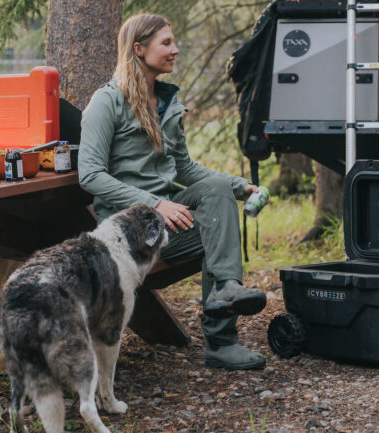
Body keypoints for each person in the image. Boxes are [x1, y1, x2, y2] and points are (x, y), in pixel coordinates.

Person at [79, 14, 267, 370]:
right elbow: (90, 175)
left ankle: (225, 312)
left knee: (217, 195)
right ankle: (223, 335)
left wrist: (239, 186)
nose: (175, 50)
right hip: (126, 229)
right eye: (166, 43)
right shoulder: (107, 102)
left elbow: (184, 168)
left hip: (164, 221)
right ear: (139, 49)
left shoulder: (166, 102)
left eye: (173, 42)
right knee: (218, 225)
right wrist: (154, 204)